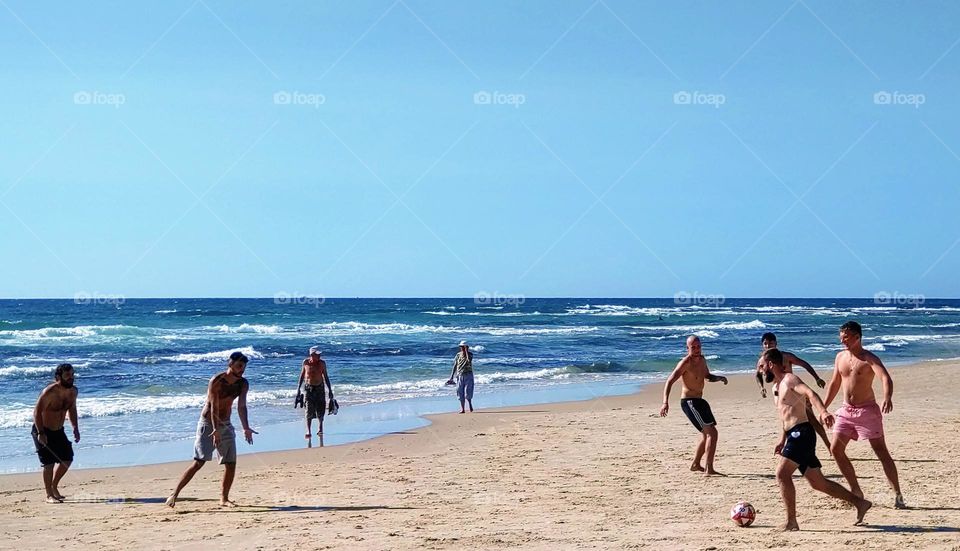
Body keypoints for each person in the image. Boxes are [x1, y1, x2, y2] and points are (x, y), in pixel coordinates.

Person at [761, 348, 872, 530]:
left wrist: (823, 411)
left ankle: (791, 522)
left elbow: (810, 393)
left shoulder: (790, 380)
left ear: (771, 365)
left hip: (802, 434)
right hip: (793, 435)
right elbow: (785, 416)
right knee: (818, 483)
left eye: (762, 366)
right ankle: (860, 503)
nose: (760, 369)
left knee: (782, 474)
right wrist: (782, 440)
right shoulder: (776, 387)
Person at [824, 321, 906, 508]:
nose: (842, 340)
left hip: (867, 411)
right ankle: (856, 490)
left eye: (846, 337)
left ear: (857, 337)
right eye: (841, 337)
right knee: (835, 449)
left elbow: (885, 377)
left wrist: (887, 397)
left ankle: (898, 494)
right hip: (846, 411)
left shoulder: (869, 358)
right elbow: (834, 384)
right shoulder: (840, 357)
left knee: (881, 452)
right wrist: (823, 407)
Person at [166, 352, 257, 508]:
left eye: (244, 367)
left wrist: (246, 427)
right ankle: (174, 494)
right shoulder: (217, 381)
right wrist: (214, 430)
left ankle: (224, 498)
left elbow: (241, 406)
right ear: (230, 364)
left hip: (226, 424)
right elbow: (214, 407)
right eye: (239, 366)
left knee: (231, 463)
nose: (242, 370)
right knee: (199, 462)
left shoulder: (243, 384)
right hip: (208, 423)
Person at [659, 335, 728, 475]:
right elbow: (670, 381)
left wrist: (719, 378)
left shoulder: (702, 360)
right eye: (693, 347)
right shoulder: (686, 363)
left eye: (698, 346)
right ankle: (709, 469)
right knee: (712, 433)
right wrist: (665, 402)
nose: (696, 350)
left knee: (707, 434)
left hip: (700, 401)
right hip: (689, 402)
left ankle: (696, 464)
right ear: (687, 348)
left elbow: (707, 376)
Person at [755, 332, 831, 450]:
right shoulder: (762, 361)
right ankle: (784, 443)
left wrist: (816, 378)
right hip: (779, 392)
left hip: (794, 390)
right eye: (765, 343)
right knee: (785, 417)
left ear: (776, 343)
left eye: (770, 342)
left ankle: (829, 445)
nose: (767, 345)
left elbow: (804, 364)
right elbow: (758, 375)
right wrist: (761, 388)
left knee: (812, 420)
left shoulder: (785, 356)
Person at [31, 363, 79, 503]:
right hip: (42, 430)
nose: (71, 378)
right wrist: (41, 433)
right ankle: (49, 495)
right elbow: (37, 412)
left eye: (72, 375)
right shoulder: (49, 392)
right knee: (49, 464)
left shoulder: (73, 391)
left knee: (67, 458)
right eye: (67, 375)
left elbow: (72, 410)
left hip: (59, 430)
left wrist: (75, 428)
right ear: (58, 377)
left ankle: (54, 486)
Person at [298, 346, 333, 443]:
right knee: (308, 409)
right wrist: (298, 389)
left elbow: (326, 377)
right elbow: (302, 376)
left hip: (320, 388)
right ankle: (308, 430)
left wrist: (330, 390)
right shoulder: (305, 362)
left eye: (320, 354)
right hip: (308, 389)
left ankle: (320, 428)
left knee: (320, 409)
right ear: (312, 354)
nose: (319, 356)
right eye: (317, 354)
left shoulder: (322, 363)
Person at [446, 340, 474, 414]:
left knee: (468, 392)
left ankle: (470, 403)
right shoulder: (458, 355)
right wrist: (451, 376)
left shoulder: (470, 354)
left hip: (468, 374)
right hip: (460, 375)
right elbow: (455, 365)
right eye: (461, 347)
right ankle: (463, 409)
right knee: (460, 391)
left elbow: (468, 360)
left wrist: (466, 351)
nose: (462, 348)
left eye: (464, 347)